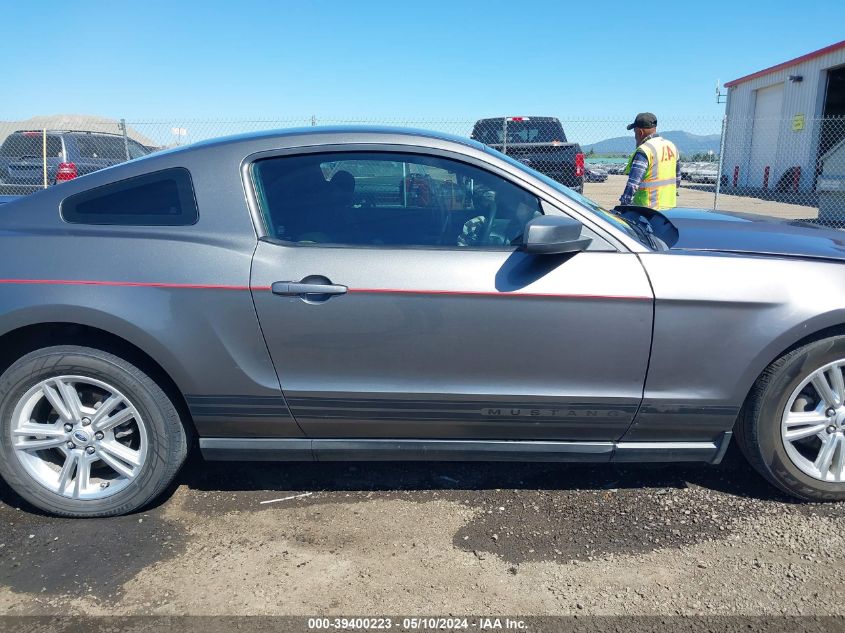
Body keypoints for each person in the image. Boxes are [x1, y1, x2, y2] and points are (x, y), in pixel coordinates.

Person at [619, 112, 680, 210]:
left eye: (635, 132)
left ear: (640, 132)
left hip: (647, 211)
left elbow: (633, 184)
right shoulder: (671, 146)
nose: (635, 137)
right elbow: (677, 180)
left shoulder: (645, 150)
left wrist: (623, 206)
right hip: (670, 208)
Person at [457, 188, 540, 247]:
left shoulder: (537, 228)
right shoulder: (478, 223)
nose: (528, 207)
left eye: (531, 203)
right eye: (524, 201)